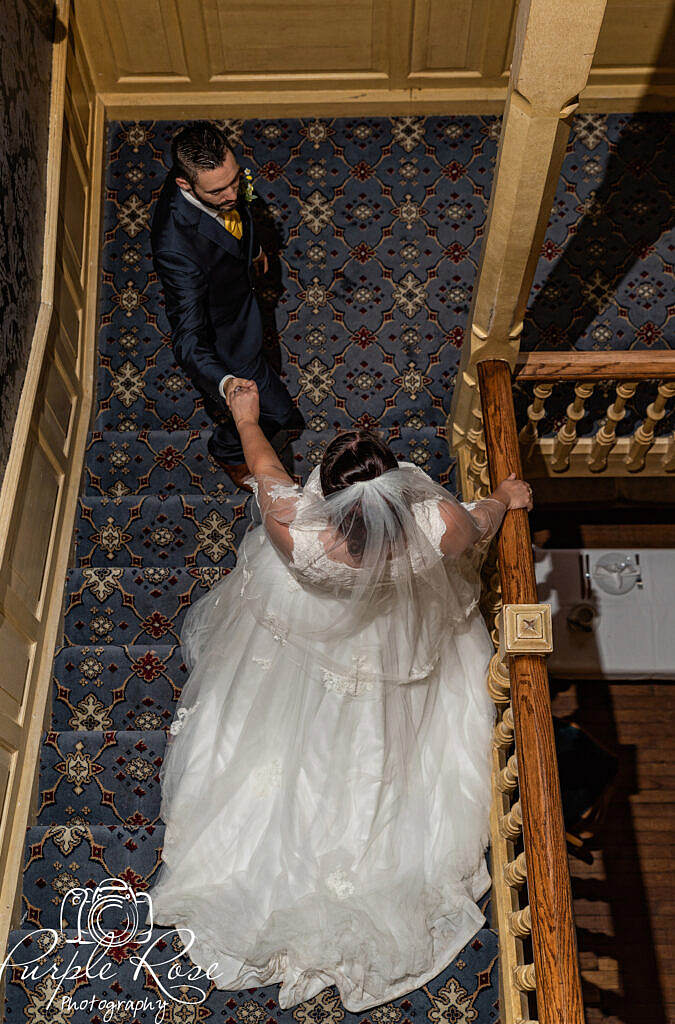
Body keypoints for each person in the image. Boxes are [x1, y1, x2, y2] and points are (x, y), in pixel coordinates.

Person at [147, 377, 533, 1012]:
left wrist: (246, 415)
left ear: (328, 494)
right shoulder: (436, 528)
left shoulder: (298, 535)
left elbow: (265, 467)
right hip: (392, 644)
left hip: (308, 638)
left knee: (272, 736)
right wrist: (505, 496)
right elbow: (482, 522)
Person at [150, 121, 301, 491]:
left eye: (236, 179)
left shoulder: (225, 182)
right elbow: (187, 339)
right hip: (229, 340)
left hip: (242, 293)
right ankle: (229, 450)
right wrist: (229, 382)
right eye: (219, 190)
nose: (234, 192)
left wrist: (254, 250)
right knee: (279, 416)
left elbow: (241, 209)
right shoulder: (174, 247)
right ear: (185, 184)